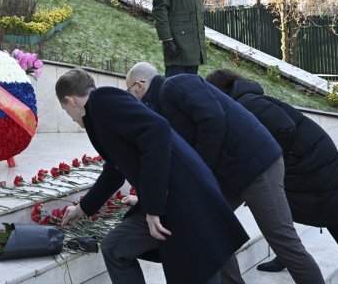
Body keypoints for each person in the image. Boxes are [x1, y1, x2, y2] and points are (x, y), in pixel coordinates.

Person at [125, 62, 325, 284]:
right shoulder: (161, 110)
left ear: (140, 85)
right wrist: (148, 199)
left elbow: (213, 118)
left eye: (130, 92)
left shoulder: (176, 84)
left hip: (257, 164)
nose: (132, 99)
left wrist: (201, 168)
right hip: (233, 172)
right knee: (209, 227)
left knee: (284, 242)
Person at [55, 68, 249, 284]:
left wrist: (153, 207)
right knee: (116, 248)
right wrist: (83, 208)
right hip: (172, 199)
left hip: (182, 197)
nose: (71, 118)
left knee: (198, 270)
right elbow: (115, 170)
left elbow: (157, 129)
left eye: (66, 111)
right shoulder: (98, 113)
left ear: (70, 100)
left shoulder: (102, 100)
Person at [205, 69, 338, 284]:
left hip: (313, 161)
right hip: (302, 158)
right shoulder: (244, 101)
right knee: (280, 209)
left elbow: (285, 127)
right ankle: (283, 257)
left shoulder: (248, 103)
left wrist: (276, 156)